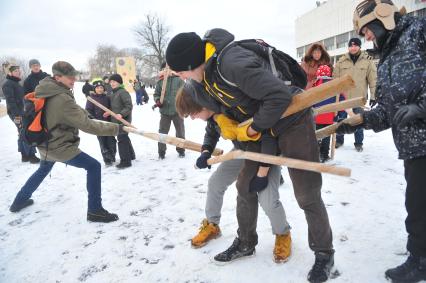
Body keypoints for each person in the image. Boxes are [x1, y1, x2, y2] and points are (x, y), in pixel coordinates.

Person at [166, 29, 334, 282]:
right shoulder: (199, 84)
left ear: (191, 64)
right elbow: (219, 119)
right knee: (244, 185)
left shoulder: (233, 64)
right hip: (259, 127)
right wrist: (211, 146)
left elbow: (277, 96)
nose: (178, 76)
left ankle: (323, 253)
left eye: (179, 71)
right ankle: (245, 242)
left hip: (291, 118)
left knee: (306, 192)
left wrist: (254, 128)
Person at [338, 1, 426, 282]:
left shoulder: (419, 31)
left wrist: (421, 107)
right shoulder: (386, 56)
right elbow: (389, 112)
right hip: (414, 146)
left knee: (419, 205)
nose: (365, 37)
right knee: (419, 205)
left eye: (366, 30)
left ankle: (420, 261)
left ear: (382, 18)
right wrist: (362, 121)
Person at [176, 82, 292, 263]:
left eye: (193, 113)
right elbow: (211, 132)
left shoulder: (233, 106)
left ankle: (282, 233)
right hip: (241, 151)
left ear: (203, 105)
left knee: (268, 200)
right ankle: (212, 225)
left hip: (266, 155)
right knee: (216, 182)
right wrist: (206, 151)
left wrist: (262, 173)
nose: (192, 118)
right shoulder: (213, 115)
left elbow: (268, 136)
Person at [9, 61, 123, 223]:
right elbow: (87, 125)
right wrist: (116, 129)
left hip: (45, 142)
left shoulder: (47, 89)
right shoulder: (62, 97)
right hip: (59, 145)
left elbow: (73, 111)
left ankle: (19, 201)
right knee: (93, 166)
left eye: (74, 76)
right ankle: (95, 210)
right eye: (70, 77)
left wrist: (85, 114)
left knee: (42, 170)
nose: (73, 80)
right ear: (57, 77)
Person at [333, 37, 377, 152]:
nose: (353, 48)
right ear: (348, 47)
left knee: (358, 121)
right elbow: (335, 80)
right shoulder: (341, 61)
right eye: (351, 46)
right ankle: (339, 140)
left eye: (355, 45)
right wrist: (334, 96)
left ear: (359, 46)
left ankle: (358, 143)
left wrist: (373, 96)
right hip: (343, 98)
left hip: (359, 98)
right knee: (341, 120)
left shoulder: (368, 61)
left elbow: (373, 80)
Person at [2, 62, 40, 163]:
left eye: (19, 71)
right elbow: (11, 102)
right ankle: (31, 156)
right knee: (26, 133)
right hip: (17, 113)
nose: (18, 72)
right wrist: (17, 116)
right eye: (15, 71)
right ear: (10, 73)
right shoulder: (8, 84)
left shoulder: (15, 83)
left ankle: (24, 156)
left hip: (22, 112)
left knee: (22, 133)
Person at [312, 65, 346, 162]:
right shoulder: (335, 86)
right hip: (330, 117)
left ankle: (316, 152)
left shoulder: (316, 85)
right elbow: (342, 101)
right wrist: (340, 115)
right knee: (327, 136)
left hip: (317, 117)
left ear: (318, 74)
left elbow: (311, 102)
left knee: (317, 135)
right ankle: (324, 154)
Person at [153, 62, 185, 159]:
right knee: (162, 133)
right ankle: (161, 152)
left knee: (180, 132)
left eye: (168, 69)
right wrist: (158, 101)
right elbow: (156, 94)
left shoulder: (179, 80)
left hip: (177, 112)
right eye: (163, 69)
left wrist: (183, 107)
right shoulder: (160, 83)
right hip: (165, 112)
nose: (166, 71)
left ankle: (181, 150)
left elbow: (185, 94)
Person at [106, 73, 135, 168]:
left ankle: (126, 161)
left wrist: (121, 114)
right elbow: (114, 107)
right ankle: (131, 155)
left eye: (114, 81)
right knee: (124, 138)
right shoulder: (113, 92)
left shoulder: (123, 92)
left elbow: (129, 106)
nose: (112, 83)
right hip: (116, 120)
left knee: (121, 139)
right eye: (111, 82)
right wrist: (109, 113)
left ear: (119, 82)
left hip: (123, 120)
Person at [85, 79, 117, 166]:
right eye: (98, 88)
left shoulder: (107, 97)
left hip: (109, 123)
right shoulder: (91, 99)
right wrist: (91, 117)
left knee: (111, 140)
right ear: (95, 89)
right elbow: (88, 110)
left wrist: (109, 112)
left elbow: (112, 107)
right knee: (102, 142)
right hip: (98, 124)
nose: (100, 89)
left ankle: (112, 155)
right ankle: (107, 160)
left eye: (101, 87)